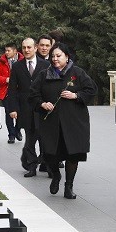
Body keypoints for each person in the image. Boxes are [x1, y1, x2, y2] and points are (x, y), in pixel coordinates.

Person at [29, 43, 97, 199]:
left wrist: (76, 96)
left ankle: (69, 185)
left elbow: (91, 90)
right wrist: (42, 103)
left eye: (58, 56)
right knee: (50, 154)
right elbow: (33, 95)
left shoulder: (77, 73)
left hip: (74, 122)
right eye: (53, 56)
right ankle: (56, 176)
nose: (55, 59)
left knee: (72, 154)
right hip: (51, 123)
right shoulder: (44, 74)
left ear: (67, 57)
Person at [9, 38, 50, 177]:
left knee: (45, 137)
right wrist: (13, 109)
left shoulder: (46, 65)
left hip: (43, 108)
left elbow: (51, 86)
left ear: (36, 48)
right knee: (30, 138)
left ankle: (47, 164)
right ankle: (32, 166)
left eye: (29, 47)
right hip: (25, 108)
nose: (26, 50)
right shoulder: (17, 66)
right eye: (24, 47)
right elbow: (12, 90)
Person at [0, 42, 24, 144]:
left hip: (20, 91)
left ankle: (17, 130)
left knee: (20, 112)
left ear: (15, 51)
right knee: (8, 113)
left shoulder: (23, 60)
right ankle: (11, 135)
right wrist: (6, 79)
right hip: (6, 91)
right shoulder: (1, 61)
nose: (6, 53)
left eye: (9, 50)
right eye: (5, 50)